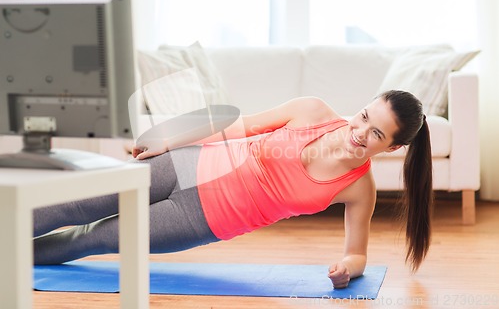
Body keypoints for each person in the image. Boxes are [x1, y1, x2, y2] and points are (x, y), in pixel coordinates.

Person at [33, 90, 432, 289]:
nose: (359, 132)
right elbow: (238, 126)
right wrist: (169, 141)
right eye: (363, 116)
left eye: (375, 133)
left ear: (393, 147)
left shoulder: (360, 189)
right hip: (185, 165)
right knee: (73, 203)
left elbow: (357, 252)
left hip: (199, 220)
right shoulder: (312, 111)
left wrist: (348, 269)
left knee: (90, 239)